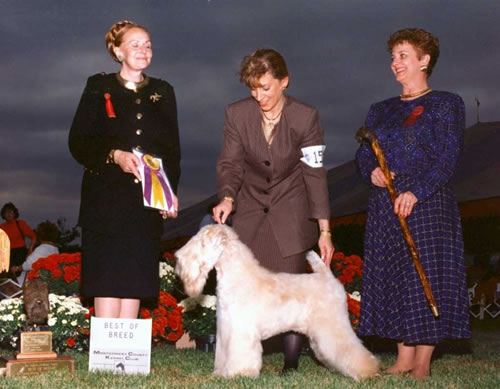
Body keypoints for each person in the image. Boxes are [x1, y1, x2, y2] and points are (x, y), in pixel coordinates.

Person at [355, 28, 471, 378]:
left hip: (427, 202)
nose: (395, 63)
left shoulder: (446, 103)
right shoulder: (380, 109)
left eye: (403, 55)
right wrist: (372, 170)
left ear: (425, 60)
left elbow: (448, 157)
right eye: (393, 57)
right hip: (385, 202)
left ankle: (421, 364)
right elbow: (363, 152)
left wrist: (417, 191)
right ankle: (402, 359)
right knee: (395, 277)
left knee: (425, 277)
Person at [213, 49, 334, 373]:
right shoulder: (237, 114)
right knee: (247, 292)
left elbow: (315, 174)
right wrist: (227, 198)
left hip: (291, 210)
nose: (259, 95)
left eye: (265, 87)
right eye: (253, 88)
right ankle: (242, 358)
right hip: (250, 208)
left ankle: (291, 363)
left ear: (284, 81)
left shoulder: (305, 117)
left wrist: (324, 230)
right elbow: (230, 165)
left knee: (291, 289)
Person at [68, 20, 181, 319]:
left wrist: (168, 196)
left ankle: (127, 355)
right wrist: (114, 155)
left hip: (144, 203)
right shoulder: (98, 86)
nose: (143, 50)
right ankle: (106, 353)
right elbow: (78, 141)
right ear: (117, 51)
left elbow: (172, 152)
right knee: (106, 275)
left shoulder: (163, 91)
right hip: (103, 199)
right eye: (135, 44)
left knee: (134, 277)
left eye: (148, 45)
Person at [10, 221, 60, 285]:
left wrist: (17, 268)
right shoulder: (55, 249)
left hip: (30, 284)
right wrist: (31, 246)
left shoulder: (42, 248)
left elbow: (29, 265)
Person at [0, 202, 36, 275]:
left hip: (20, 254)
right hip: (6, 255)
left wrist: (30, 248)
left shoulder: (20, 224)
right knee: (5, 278)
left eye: (10, 211)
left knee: (18, 276)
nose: (8, 214)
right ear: (3, 214)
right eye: (6, 212)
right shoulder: (1, 227)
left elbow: (33, 236)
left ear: (14, 213)